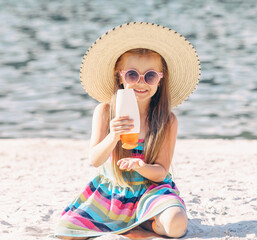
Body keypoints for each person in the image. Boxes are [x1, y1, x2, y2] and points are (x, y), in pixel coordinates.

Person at [52, 22, 201, 239]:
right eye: (132, 75)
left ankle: (141, 224)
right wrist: (113, 136)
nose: (141, 82)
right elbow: (94, 159)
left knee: (177, 224)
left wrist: (141, 166)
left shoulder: (166, 120)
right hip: (113, 192)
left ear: (161, 78)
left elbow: (160, 171)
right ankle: (137, 229)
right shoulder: (104, 112)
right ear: (119, 76)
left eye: (150, 76)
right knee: (66, 231)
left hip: (150, 190)